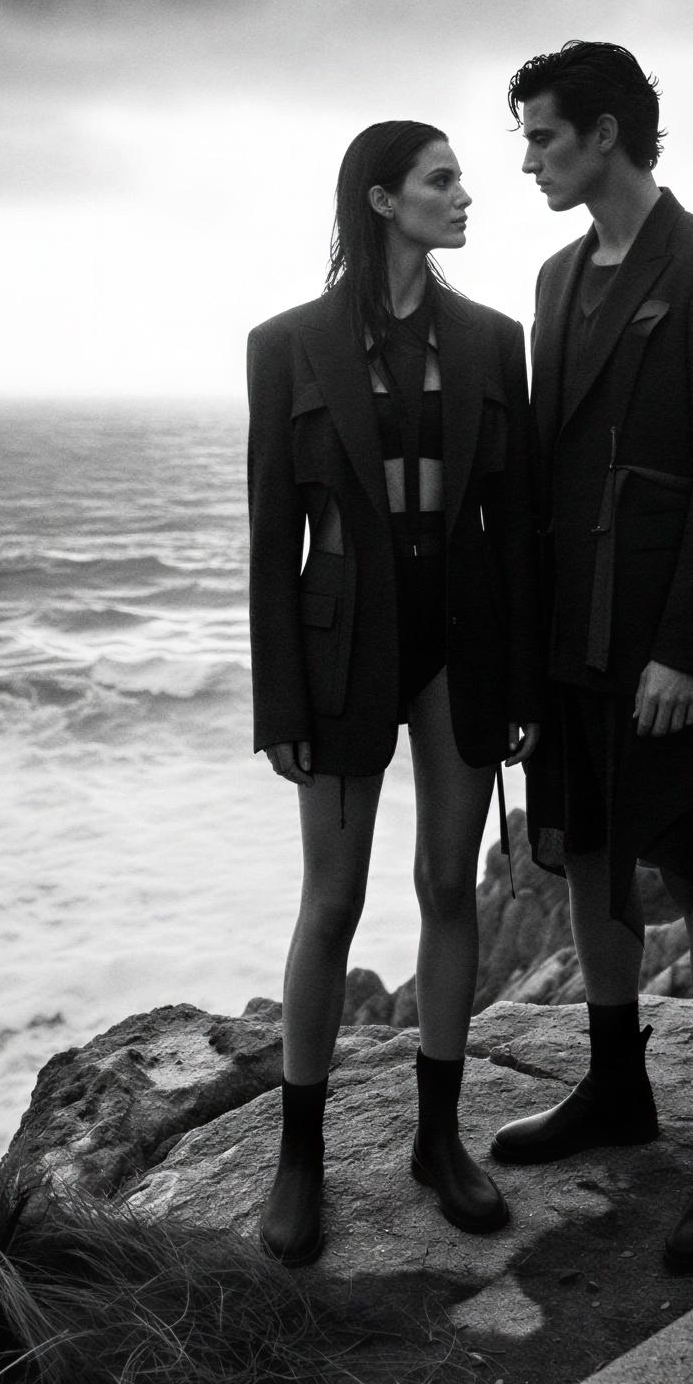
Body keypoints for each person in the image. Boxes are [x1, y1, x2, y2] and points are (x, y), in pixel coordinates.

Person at [493, 42, 693, 1276]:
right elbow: (545, 469)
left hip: (663, 638)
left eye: (543, 137)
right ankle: (615, 1085)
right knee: (589, 853)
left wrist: (682, 648)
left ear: (605, 134)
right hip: (569, 635)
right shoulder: (555, 278)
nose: (527, 160)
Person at [246, 119, 542, 1267]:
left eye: (460, 177)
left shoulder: (489, 339)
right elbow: (274, 539)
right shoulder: (285, 345)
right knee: (330, 899)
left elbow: (510, 527)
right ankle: (298, 1158)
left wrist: (517, 672)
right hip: (341, 648)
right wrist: (279, 706)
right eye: (440, 178)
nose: (465, 194)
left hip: (458, 639)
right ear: (379, 199)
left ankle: (437, 1137)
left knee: (446, 885)